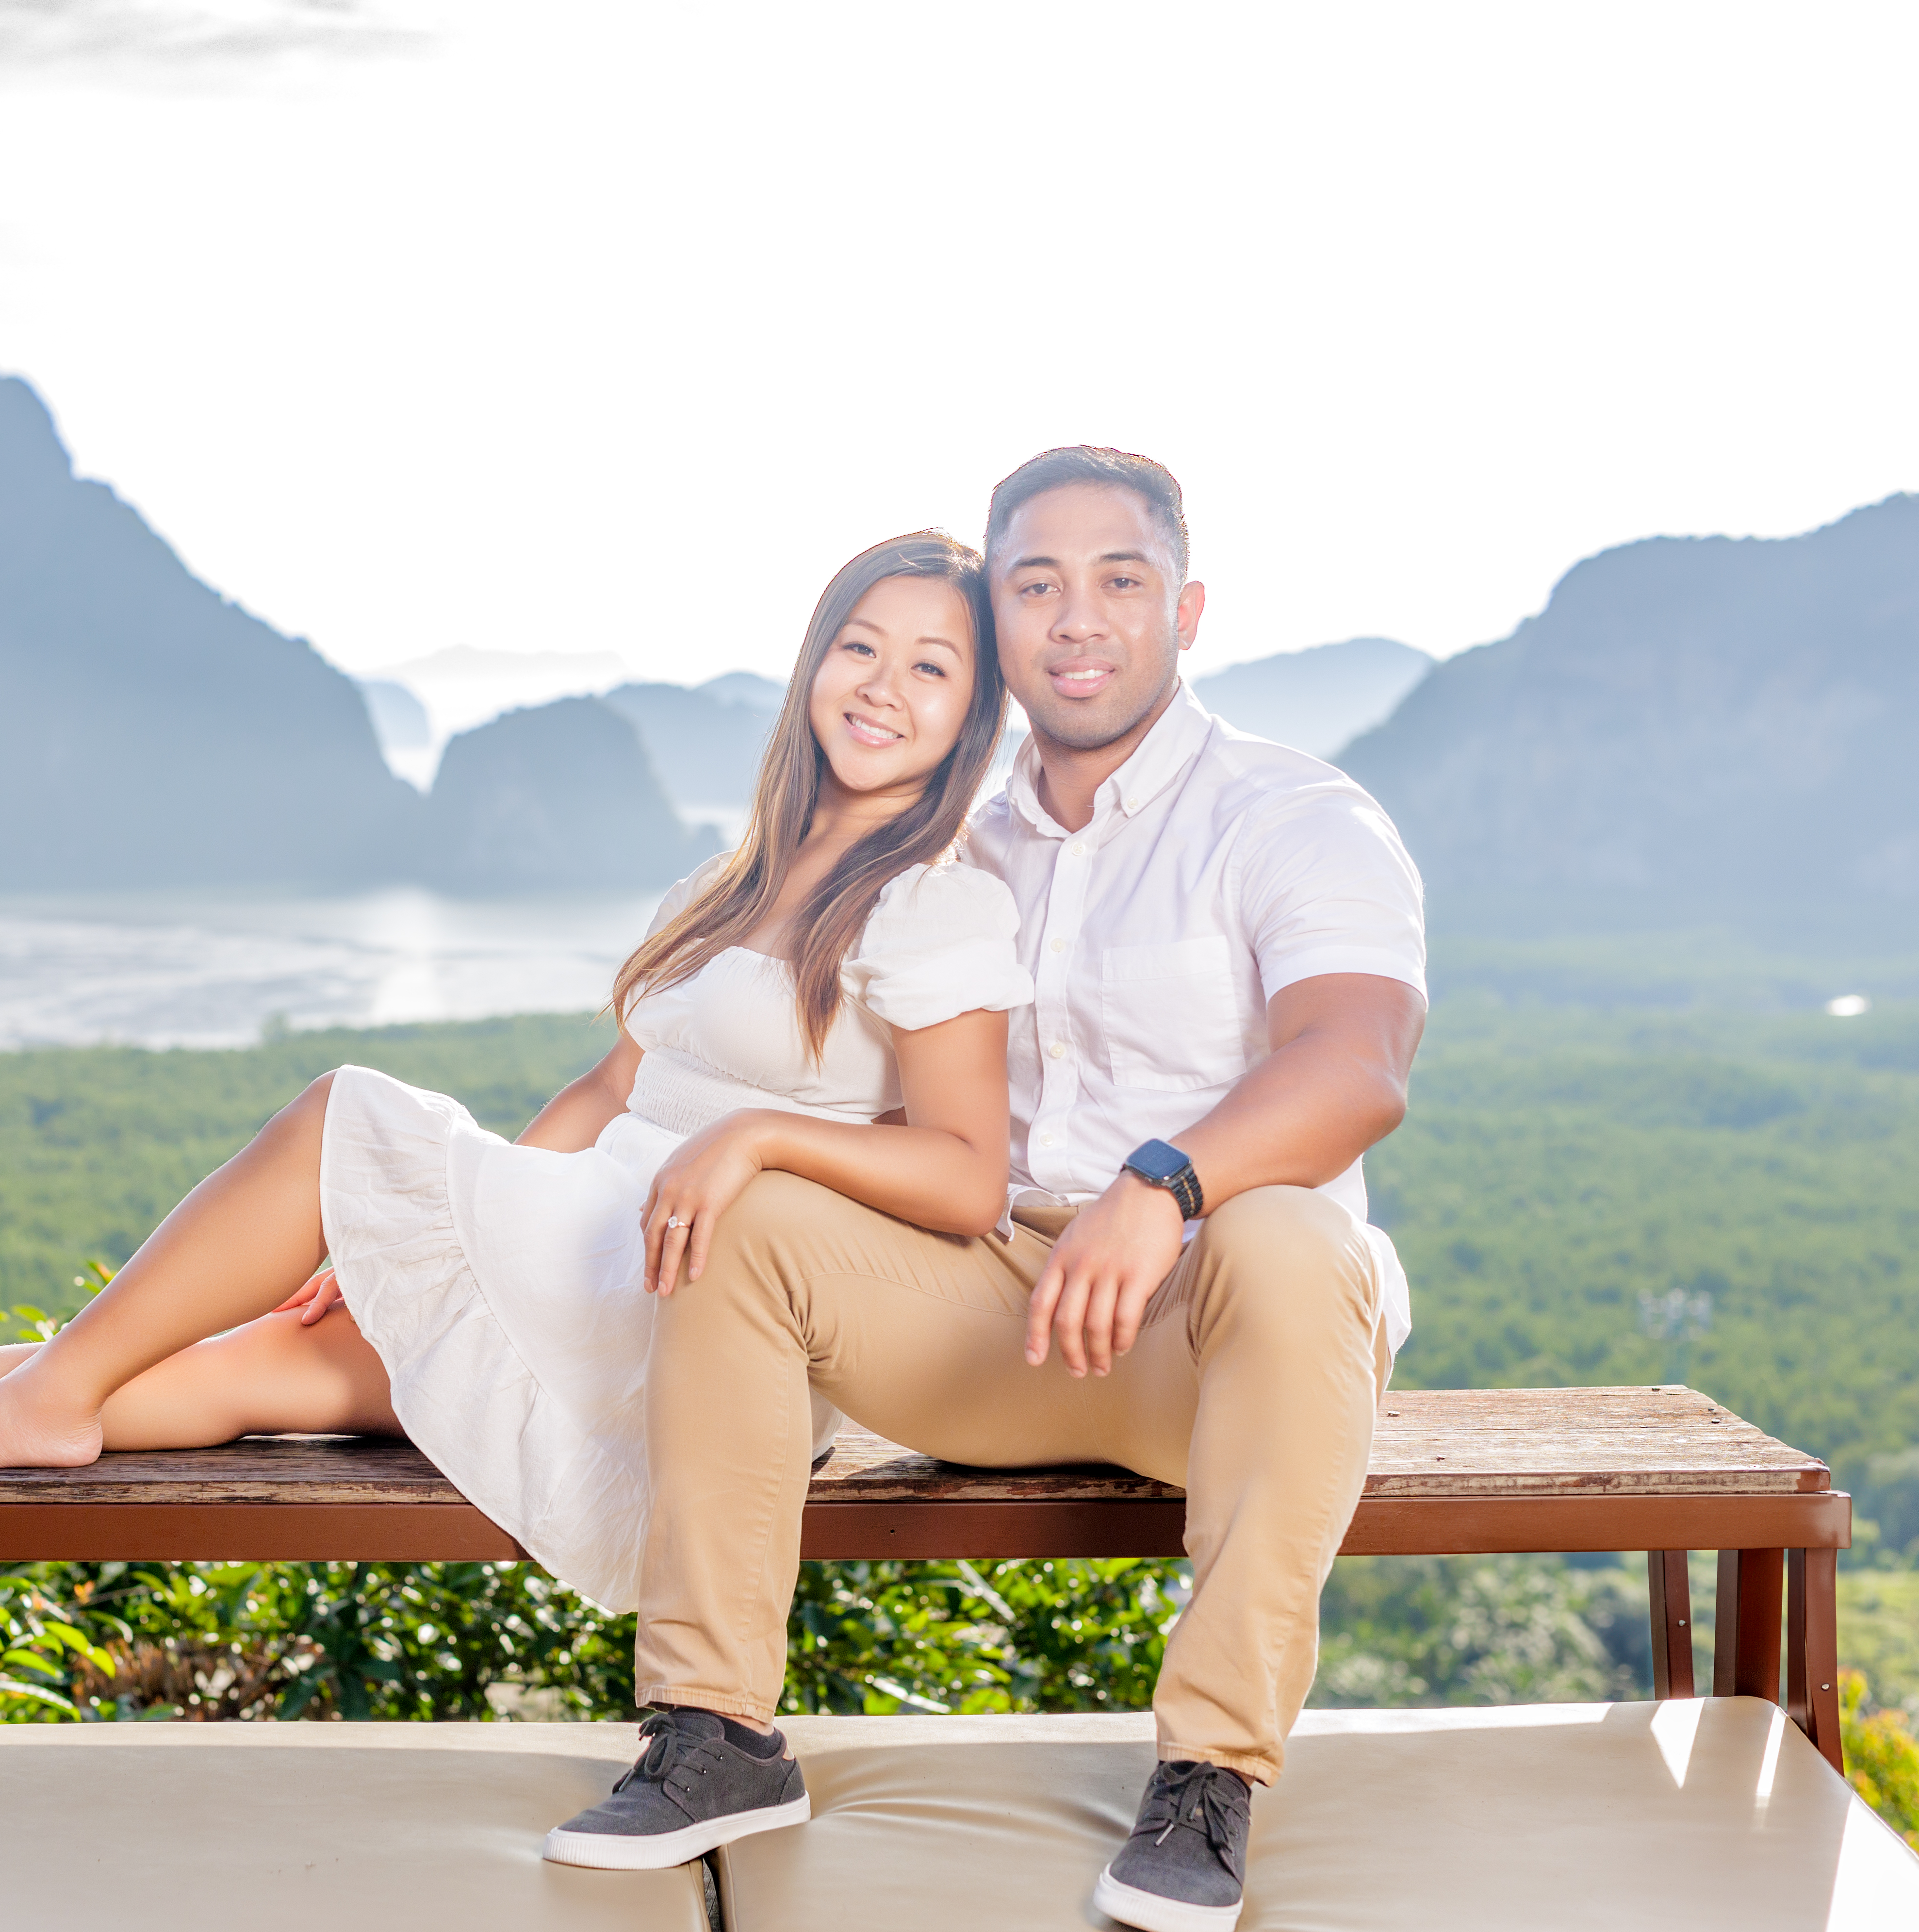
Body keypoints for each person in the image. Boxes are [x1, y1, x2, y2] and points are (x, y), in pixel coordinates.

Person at [0, 530, 1034, 1692]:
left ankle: (33, 1397)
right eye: (859, 646)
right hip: (595, 1237)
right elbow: (608, 1090)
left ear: (972, 715)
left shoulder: (932, 900)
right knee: (263, 1371)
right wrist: (448, 1239)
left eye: (930, 667)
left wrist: (752, 1137)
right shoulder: (732, 877)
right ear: (812, 664)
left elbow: (968, 1177)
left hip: (710, 1297)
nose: (881, 684)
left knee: (340, 1110)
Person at [568, 447, 1427, 1932]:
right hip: (991, 1320)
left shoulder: (1294, 814)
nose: (1076, 618)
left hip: (1223, 1336)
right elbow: (715, 1069)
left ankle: (1209, 1774)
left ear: (1187, 607)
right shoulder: (938, 848)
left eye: (1119, 581)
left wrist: (1165, 1183)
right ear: (999, 619)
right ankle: (712, 1735)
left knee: (1289, 1231)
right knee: (747, 1206)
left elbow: (1355, 1065)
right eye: (1035, 584)